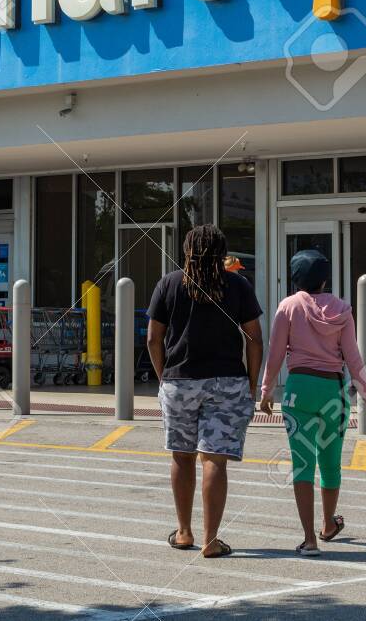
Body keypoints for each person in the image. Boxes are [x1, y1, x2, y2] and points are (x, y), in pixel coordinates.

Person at [147, 224, 263, 559]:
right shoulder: (237, 285)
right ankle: (211, 541)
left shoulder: (168, 284)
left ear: (186, 251)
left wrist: (164, 377)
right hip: (228, 381)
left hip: (179, 381)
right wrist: (251, 383)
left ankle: (184, 532)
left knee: (181, 457)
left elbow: (154, 338)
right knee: (215, 459)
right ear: (222, 253)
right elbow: (255, 338)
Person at [259, 250, 366, 555]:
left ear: (295, 278)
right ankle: (328, 524)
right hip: (333, 394)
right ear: (325, 279)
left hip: (298, 390)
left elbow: (274, 354)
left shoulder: (288, 306)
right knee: (330, 464)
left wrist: (266, 391)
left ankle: (309, 539)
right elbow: (354, 359)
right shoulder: (342, 310)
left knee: (302, 464)